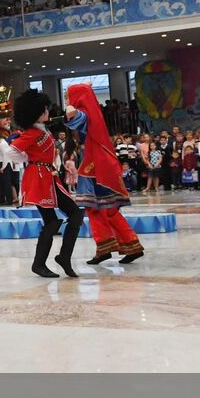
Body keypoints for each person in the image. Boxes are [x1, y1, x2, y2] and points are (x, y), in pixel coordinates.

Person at [2, 90, 83, 278]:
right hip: (39, 177)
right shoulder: (32, 133)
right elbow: (10, 152)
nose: (48, 111)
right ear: (36, 112)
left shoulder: (42, 129)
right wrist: (29, 158)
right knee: (57, 219)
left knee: (72, 215)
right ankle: (43, 263)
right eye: (44, 109)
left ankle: (60, 258)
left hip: (48, 176)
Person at [64, 83, 144, 266]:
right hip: (100, 164)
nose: (67, 100)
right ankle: (123, 246)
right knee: (106, 210)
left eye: (68, 96)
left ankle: (110, 248)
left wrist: (70, 112)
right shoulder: (94, 112)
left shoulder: (85, 112)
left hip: (95, 168)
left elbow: (77, 117)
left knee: (98, 209)